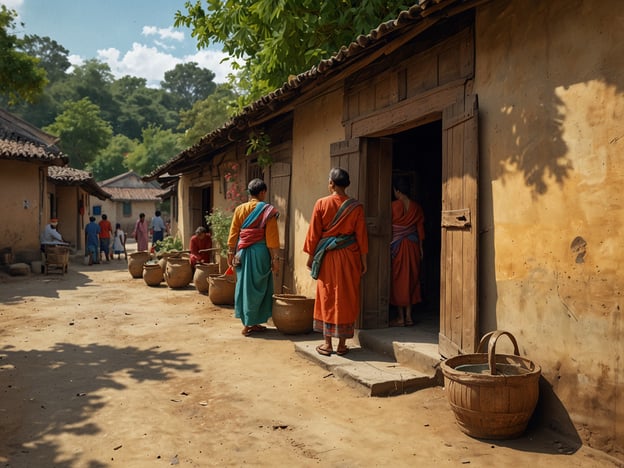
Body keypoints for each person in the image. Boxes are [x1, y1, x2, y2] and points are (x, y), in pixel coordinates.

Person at [303, 168, 368, 357]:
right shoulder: (356, 207)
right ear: (346, 184)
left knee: (327, 296)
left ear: (331, 183)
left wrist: (310, 259)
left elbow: (313, 234)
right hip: (350, 256)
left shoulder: (321, 203)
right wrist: (364, 261)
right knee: (347, 296)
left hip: (327, 257)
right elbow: (362, 236)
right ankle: (342, 345)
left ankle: (327, 344)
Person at [227, 178, 280, 337]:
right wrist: (274, 259)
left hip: (242, 252)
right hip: (260, 253)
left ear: (249, 193)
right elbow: (272, 238)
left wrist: (230, 252)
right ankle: (250, 323)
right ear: (263, 192)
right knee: (260, 288)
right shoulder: (268, 211)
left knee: (245, 287)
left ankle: (251, 323)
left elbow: (233, 233)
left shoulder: (239, 209)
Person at [389, 176, 425, 327]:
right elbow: (420, 230)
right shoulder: (417, 207)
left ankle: (400, 318)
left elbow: (388, 227)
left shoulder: (392, 206)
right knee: (412, 279)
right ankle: (409, 317)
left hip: (397, 246)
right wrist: (421, 249)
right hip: (413, 246)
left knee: (398, 281)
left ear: (397, 190)